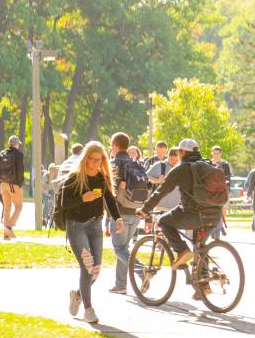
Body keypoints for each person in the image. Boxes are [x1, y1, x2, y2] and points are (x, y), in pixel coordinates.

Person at [136, 139, 225, 300]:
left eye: (178, 152)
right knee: (200, 246)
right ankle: (203, 285)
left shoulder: (181, 169)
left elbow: (160, 191)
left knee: (163, 221)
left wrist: (145, 209)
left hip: (194, 214)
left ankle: (181, 250)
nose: (177, 155)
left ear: (184, 153)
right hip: (214, 215)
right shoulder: (207, 165)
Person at [57, 141, 122, 324]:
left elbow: (109, 200)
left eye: (98, 160)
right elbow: (64, 205)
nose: (94, 164)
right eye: (91, 160)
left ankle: (77, 295)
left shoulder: (101, 178)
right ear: (85, 159)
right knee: (87, 265)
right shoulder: (74, 178)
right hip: (76, 226)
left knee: (96, 270)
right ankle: (88, 309)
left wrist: (117, 219)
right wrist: (82, 198)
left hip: (95, 226)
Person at [108, 134, 149, 295]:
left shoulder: (115, 164)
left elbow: (111, 191)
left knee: (119, 250)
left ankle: (141, 270)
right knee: (124, 248)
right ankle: (120, 285)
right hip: (135, 211)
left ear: (116, 146)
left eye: (111, 145)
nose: (111, 148)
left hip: (119, 213)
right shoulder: (135, 163)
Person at [0, 136, 27, 239]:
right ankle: (9, 227)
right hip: (14, 184)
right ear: (16, 144)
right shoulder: (18, 154)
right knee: (18, 206)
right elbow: (20, 171)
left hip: (3, 184)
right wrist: (20, 184)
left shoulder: (2, 153)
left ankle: (6, 234)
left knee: (7, 208)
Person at [146, 145, 183, 213]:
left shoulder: (182, 168)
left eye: (177, 160)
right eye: (172, 159)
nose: (174, 162)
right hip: (160, 206)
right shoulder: (159, 165)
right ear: (168, 156)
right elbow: (145, 177)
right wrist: (157, 180)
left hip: (176, 208)